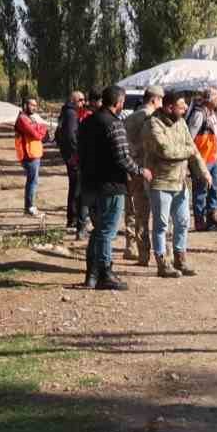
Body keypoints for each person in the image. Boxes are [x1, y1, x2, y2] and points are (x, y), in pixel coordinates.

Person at [77, 85, 143, 291]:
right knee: (107, 231)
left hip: (89, 185)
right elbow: (122, 157)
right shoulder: (114, 124)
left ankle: (92, 275)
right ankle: (105, 272)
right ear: (118, 102)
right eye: (122, 101)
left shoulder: (86, 122)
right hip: (111, 186)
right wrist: (140, 171)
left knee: (98, 231)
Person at [143, 92, 211, 278]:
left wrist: (204, 172)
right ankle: (162, 262)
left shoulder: (181, 123)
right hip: (161, 183)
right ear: (169, 107)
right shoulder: (153, 123)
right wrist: (188, 150)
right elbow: (166, 150)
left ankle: (180, 259)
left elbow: (194, 150)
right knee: (161, 224)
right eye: (181, 107)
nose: (185, 110)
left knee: (182, 222)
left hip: (180, 183)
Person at [124, 87, 164, 258]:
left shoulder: (130, 117)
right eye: (161, 100)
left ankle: (133, 247)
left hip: (130, 167)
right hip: (147, 168)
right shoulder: (152, 118)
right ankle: (149, 250)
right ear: (155, 100)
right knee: (148, 210)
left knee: (132, 210)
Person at [187, 88, 217, 230]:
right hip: (202, 160)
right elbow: (189, 138)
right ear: (210, 99)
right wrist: (193, 160)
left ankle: (212, 217)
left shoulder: (212, 113)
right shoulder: (199, 114)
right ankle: (200, 221)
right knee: (200, 190)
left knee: (214, 188)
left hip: (213, 158)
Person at [57, 91, 87, 232]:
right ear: (73, 100)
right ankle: (73, 218)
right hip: (73, 156)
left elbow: (59, 134)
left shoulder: (66, 112)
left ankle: (72, 217)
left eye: (84, 100)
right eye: (80, 100)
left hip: (68, 155)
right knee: (76, 187)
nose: (83, 102)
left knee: (74, 186)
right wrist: (76, 154)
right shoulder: (71, 114)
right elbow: (70, 136)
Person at [14, 97, 47, 217]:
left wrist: (39, 128)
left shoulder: (30, 118)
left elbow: (40, 132)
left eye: (35, 105)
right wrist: (40, 127)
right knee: (32, 182)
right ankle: (29, 208)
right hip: (29, 155)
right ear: (24, 105)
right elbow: (36, 134)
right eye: (31, 105)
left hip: (34, 153)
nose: (34, 107)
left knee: (33, 181)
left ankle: (29, 207)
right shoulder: (22, 119)